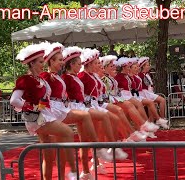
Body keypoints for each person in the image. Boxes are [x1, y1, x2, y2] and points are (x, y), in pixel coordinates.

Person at [40, 42, 110, 179]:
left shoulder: (58, 77)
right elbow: (39, 96)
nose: (62, 62)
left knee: (60, 154)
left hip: (59, 112)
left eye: (62, 59)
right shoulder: (46, 77)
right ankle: (97, 148)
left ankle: (96, 149)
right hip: (50, 114)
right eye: (59, 60)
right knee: (49, 156)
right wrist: (41, 111)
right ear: (51, 61)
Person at [10, 44, 78, 180]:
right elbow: (14, 100)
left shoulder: (40, 79)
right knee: (68, 132)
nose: (43, 64)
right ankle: (74, 171)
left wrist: (42, 106)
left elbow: (43, 100)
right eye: (40, 62)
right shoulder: (25, 79)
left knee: (48, 154)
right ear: (32, 63)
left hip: (44, 115)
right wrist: (30, 107)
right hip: (37, 118)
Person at [138, 57, 169, 128]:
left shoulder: (147, 74)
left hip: (149, 92)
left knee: (152, 106)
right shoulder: (140, 75)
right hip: (144, 92)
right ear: (143, 66)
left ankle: (151, 124)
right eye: (147, 65)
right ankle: (161, 119)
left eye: (149, 65)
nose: (149, 66)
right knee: (162, 100)